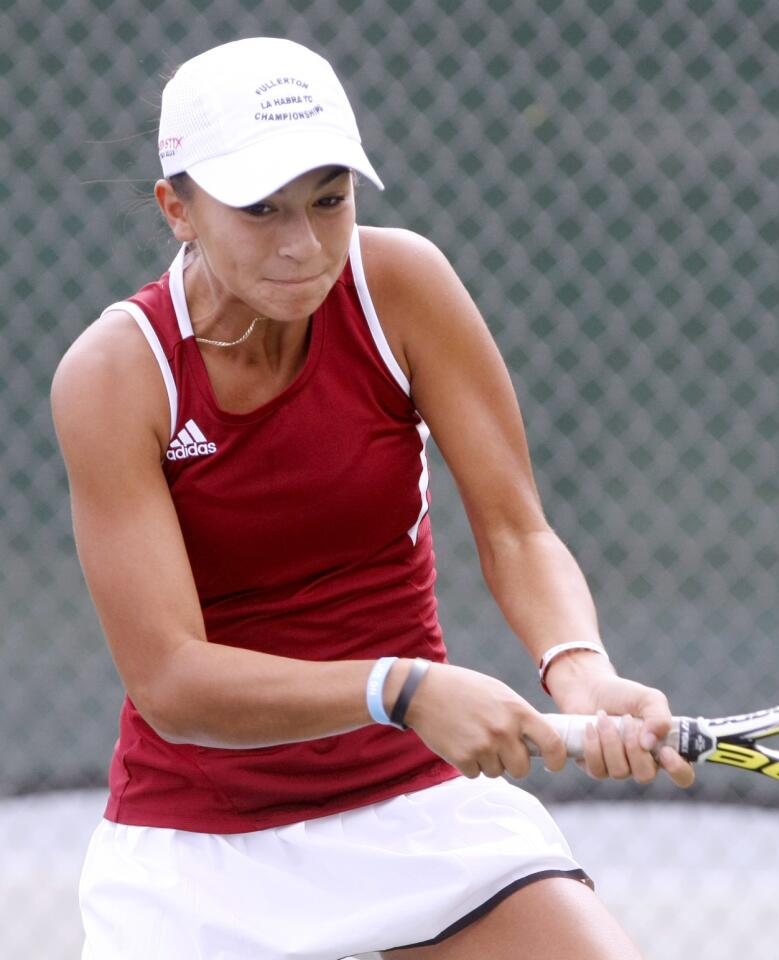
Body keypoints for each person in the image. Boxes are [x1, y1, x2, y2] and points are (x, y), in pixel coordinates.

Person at [52, 36, 693, 960]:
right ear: (176, 208)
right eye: (260, 209)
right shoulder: (117, 376)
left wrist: (582, 672)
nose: (302, 244)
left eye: (328, 199)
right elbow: (171, 683)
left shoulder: (401, 287)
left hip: (423, 814)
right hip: (198, 854)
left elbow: (516, 531)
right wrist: (400, 688)